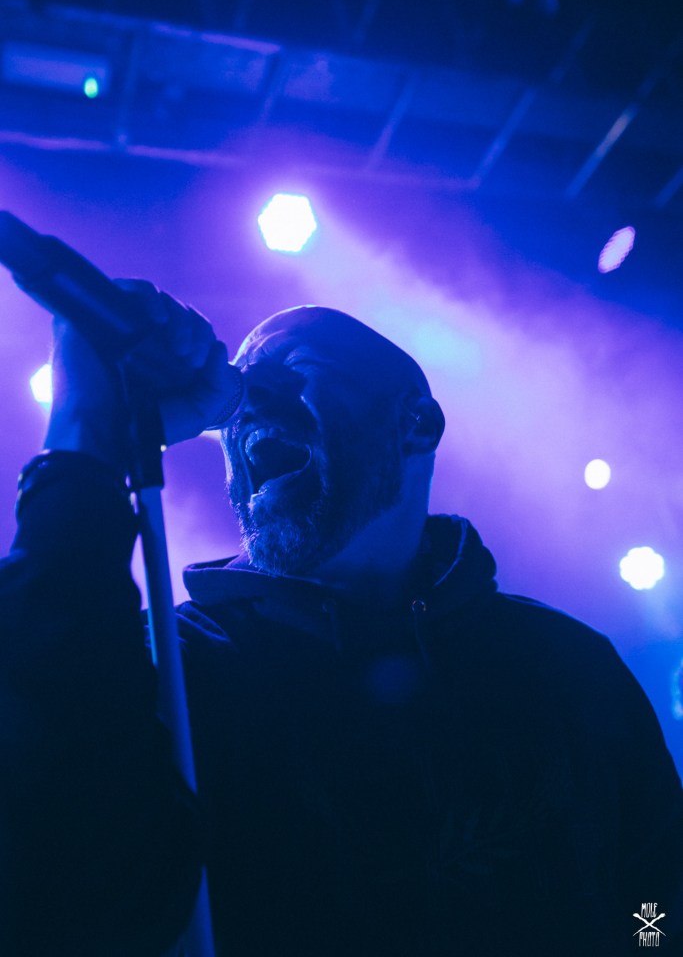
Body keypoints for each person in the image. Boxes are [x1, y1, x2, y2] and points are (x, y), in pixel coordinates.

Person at [1, 283, 682, 957]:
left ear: (416, 423)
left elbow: (656, 896)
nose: (249, 397)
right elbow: (48, 876)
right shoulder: (171, 670)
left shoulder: (566, 665)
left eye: (294, 367)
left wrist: (648, 943)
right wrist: (88, 435)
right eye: (239, 387)